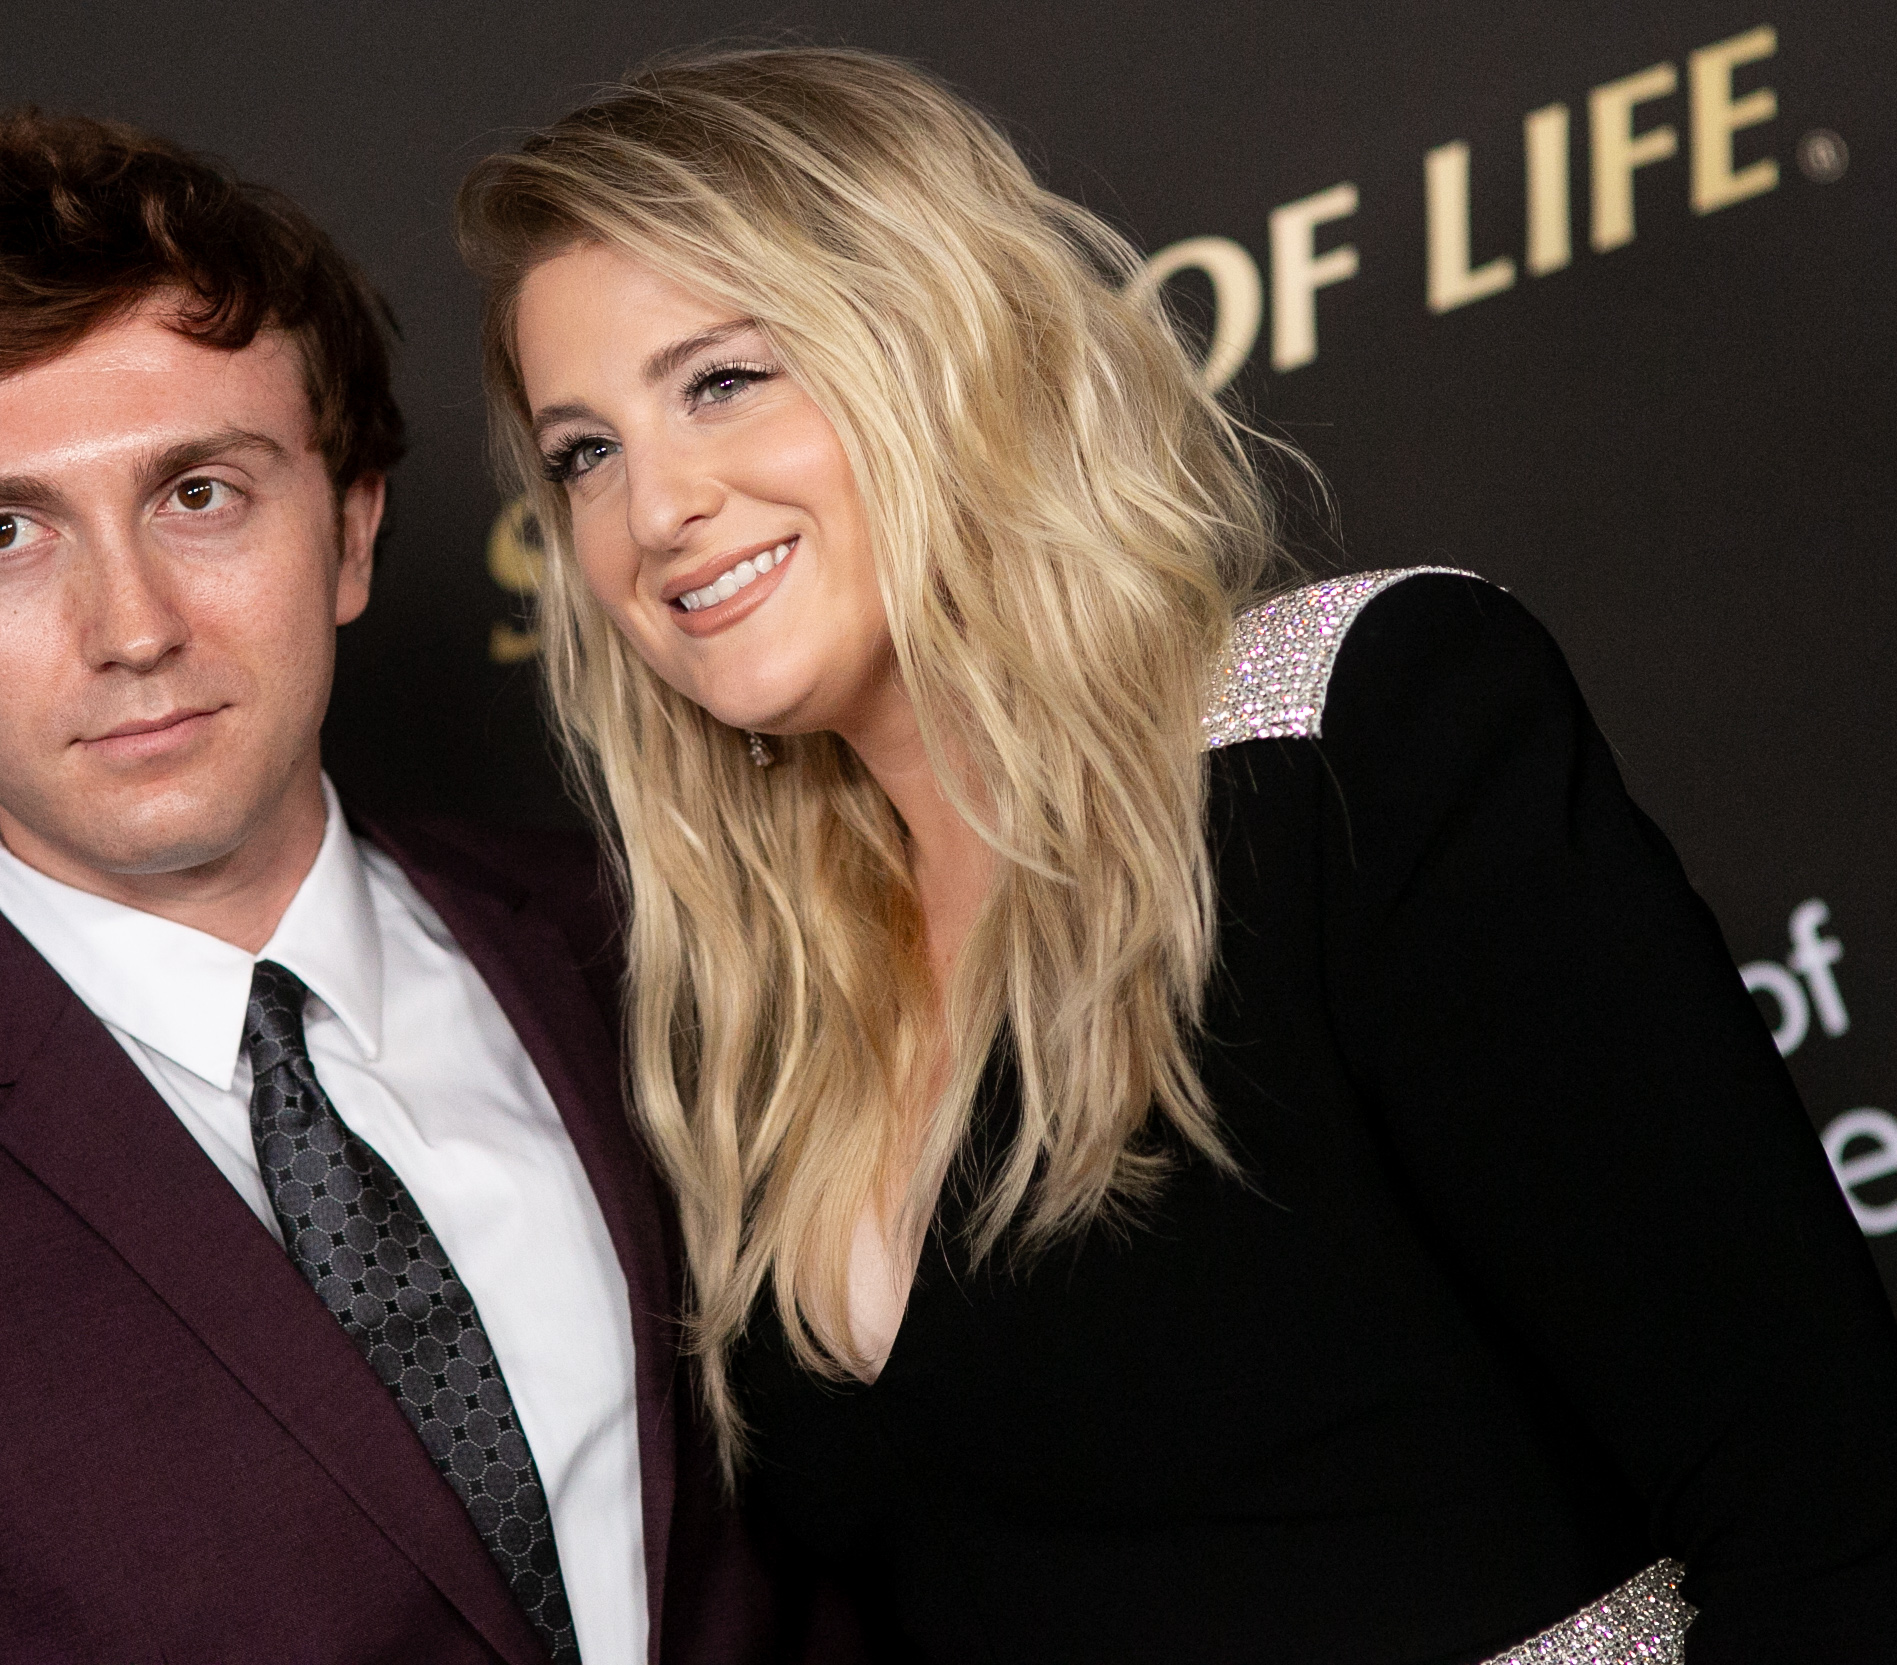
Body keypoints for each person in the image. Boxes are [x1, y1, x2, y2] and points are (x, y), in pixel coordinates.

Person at [453, 46, 1897, 1665]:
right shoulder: (750, 1013)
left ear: (936, 344)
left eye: (721, 380)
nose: (654, 508)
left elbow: (1828, 1515)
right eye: (584, 451)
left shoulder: (1367, 739)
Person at [0, 110, 781, 1665]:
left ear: (349, 531)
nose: (129, 624)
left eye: (198, 493)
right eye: (6, 532)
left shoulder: (642, 940)